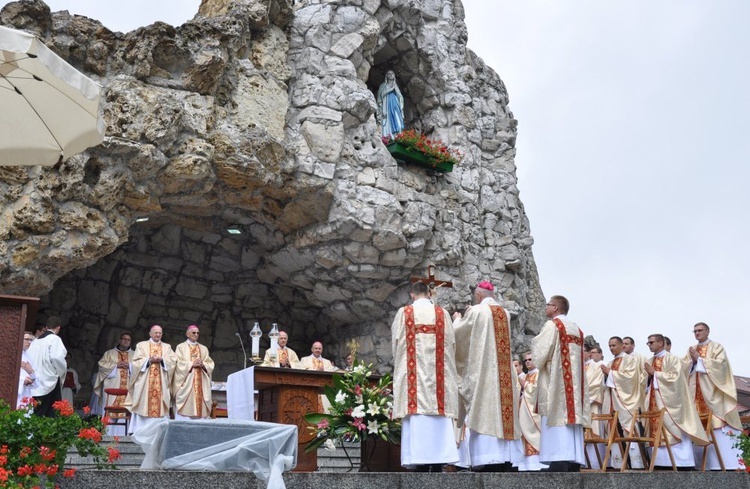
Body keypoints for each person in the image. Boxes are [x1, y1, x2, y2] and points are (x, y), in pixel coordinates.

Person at [453, 281, 521, 471]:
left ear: (479, 296)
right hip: (504, 375)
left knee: (486, 411)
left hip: (484, 375)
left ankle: (487, 459)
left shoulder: (476, 311)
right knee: (502, 412)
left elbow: (460, 335)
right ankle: (506, 457)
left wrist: (457, 319)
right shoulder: (505, 314)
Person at [392, 281, 459, 471]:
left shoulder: (404, 314)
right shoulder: (442, 314)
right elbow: (452, 344)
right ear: (429, 294)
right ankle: (439, 461)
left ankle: (418, 460)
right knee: (438, 415)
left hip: (414, 383)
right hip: (439, 383)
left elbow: (396, 344)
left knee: (417, 417)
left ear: (412, 294)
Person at [531, 295, 590, 472]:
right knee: (570, 419)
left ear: (555, 308)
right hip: (574, 385)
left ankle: (559, 459)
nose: (545, 308)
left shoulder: (552, 326)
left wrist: (534, 345)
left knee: (557, 416)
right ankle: (573, 460)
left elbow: (540, 353)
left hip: (556, 381)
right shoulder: (576, 329)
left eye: (548, 305)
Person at [644, 333, 708, 469]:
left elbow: (676, 379)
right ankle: (660, 462)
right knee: (657, 430)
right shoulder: (650, 361)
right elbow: (645, 383)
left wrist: (655, 374)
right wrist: (649, 378)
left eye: (651, 342)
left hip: (670, 404)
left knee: (672, 427)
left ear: (661, 343)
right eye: (648, 343)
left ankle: (682, 463)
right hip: (654, 401)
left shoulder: (672, 359)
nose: (649, 345)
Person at [685, 322, 743, 469]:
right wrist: (691, 364)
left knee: (717, 427)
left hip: (713, 396)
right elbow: (684, 369)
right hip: (696, 396)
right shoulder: (691, 350)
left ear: (707, 331)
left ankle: (726, 464)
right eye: (695, 331)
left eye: (700, 330)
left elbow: (721, 367)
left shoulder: (716, 347)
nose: (697, 333)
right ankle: (703, 465)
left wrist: (700, 360)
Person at [601, 336, 646, 469]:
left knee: (629, 430)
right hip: (613, 402)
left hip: (626, 402)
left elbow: (631, 379)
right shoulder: (610, 363)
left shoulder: (630, 360)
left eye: (614, 345)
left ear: (622, 346)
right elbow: (604, 385)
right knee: (614, 430)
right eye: (609, 346)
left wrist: (611, 374)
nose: (611, 348)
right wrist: (606, 376)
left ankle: (636, 463)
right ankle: (618, 463)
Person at [125, 325, 176, 435]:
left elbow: (173, 361)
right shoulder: (141, 345)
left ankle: (158, 432)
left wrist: (162, 359)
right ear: (150, 333)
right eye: (156, 333)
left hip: (161, 383)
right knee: (143, 404)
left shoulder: (167, 347)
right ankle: (140, 431)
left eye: (160, 333)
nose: (158, 335)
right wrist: (149, 360)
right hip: (145, 383)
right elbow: (135, 362)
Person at [27, 317, 67, 417]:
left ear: (46, 327)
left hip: (35, 381)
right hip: (49, 381)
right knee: (49, 413)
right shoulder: (55, 339)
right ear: (58, 328)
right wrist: (61, 371)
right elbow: (56, 357)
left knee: (35, 411)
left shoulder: (35, 341)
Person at [172, 325, 215, 420]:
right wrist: (192, 364)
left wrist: (203, 364)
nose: (196, 335)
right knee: (184, 413)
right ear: (187, 334)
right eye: (193, 332)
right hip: (187, 384)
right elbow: (177, 364)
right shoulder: (180, 347)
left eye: (198, 333)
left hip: (201, 383)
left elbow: (210, 363)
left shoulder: (203, 348)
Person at [94, 332, 134, 427]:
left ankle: (126, 433)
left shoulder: (135, 355)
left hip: (129, 387)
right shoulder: (109, 353)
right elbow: (101, 365)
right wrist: (115, 366)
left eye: (128, 340)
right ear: (120, 340)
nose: (126, 341)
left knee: (127, 408)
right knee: (111, 409)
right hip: (112, 387)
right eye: (124, 339)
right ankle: (108, 431)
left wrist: (130, 366)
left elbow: (141, 368)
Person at [516, 353, 547, 471]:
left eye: (530, 359)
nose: (527, 362)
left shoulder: (540, 374)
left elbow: (539, 391)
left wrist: (526, 385)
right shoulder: (525, 376)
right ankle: (526, 464)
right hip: (523, 410)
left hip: (534, 412)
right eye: (525, 360)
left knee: (535, 435)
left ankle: (537, 463)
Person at [584, 344, 606, 469]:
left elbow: (597, 384)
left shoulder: (598, 365)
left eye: (584, 351)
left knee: (595, 430)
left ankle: (596, 463)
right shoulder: (580, 367)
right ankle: (585, 462)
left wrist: (584, 397)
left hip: (592, 403)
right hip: (582, 406)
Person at [376, 70, 404, 138]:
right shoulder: (383, 86)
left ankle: (397, 136)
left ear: (394, 75)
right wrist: (390, 90)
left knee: (398, 120)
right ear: (386, 76)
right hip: (386, 106)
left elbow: (400, 97)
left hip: (395, 105)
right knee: (387, 121)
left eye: (392, 73)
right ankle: (388, 137)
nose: (391, 75)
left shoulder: (396, 86)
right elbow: (380, 96)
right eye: (389, 74)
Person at [17, 332, 37, 408]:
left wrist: (31, 372)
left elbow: (37, 382)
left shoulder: (30, 358)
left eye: (30, 340)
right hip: (16, 395)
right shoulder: (13, 355)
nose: (29, 342)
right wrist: (22, 380)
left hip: (26, 394)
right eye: (27, 339)